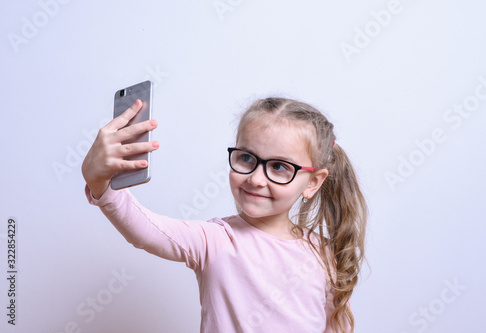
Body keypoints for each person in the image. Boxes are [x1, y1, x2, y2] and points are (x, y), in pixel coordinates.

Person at [82, 97, 367, 333]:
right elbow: (147, 232)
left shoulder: (325, 255)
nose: (256, 179)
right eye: (246, 158)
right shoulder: (215, 240)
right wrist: (101, 184)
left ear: (313, 182)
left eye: (279, 167)